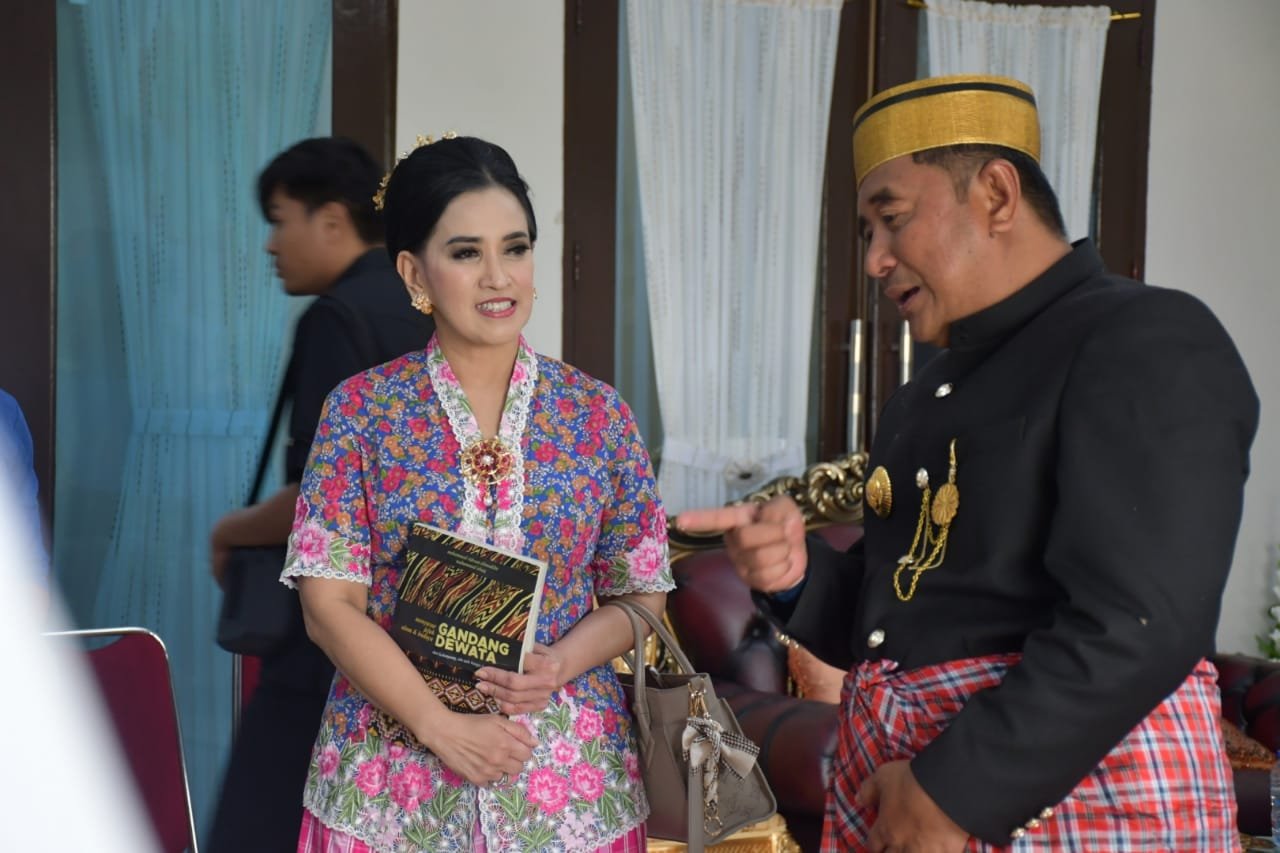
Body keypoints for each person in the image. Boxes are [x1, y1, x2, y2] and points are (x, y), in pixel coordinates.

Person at [678, 74, 1259, 852]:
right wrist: (796, 574)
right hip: (907, 793)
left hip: (1055, 801)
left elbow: (1137, 621)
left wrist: (955, 791)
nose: (876, 259)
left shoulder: (1144, 337)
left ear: (995, 194)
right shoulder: (924, 395)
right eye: (867, 233)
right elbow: (905, 622)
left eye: (892, 219)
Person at [280, 134, 673, 852]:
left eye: (515, 248)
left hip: (570, 790)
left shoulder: (597, 415)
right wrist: (440, 727)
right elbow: (328, 607)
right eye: (466, 253)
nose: (499, 277)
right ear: (414, 272)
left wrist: (559, 662)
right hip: (391, 790)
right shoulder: (362, 411)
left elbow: (641, 596)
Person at [208, 137, 435, 853]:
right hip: (425, 615)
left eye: (280, 220)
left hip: (334, 624)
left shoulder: (338, 318)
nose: (271, 245)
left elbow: (322, 491)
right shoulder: (426, 306)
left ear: (332, 219)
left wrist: (231, 530)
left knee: (261, 819)